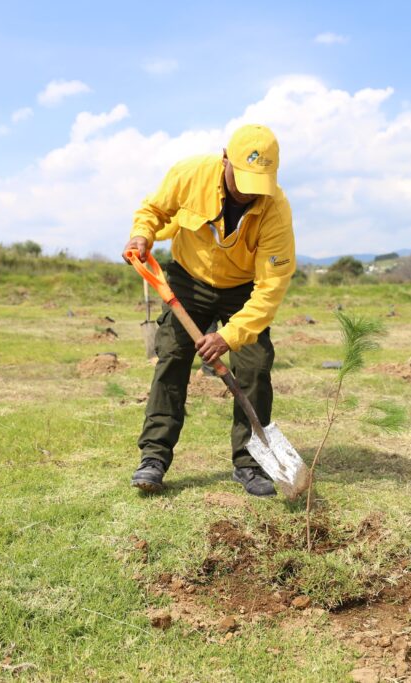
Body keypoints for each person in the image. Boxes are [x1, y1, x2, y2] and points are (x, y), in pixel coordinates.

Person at [121, 124, 296, 497]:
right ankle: (154, 456)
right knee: (172, 356)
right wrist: (142, 234)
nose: (249, 190)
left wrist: (229, 336)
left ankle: (250, 463)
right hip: (187, 279)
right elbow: (153, 209)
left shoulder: (275, 211)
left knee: (255, 364)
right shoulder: (190, 174)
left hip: (243, 290)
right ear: (224, 159)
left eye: (259, 181)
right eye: (243, 178)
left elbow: (270, 289)